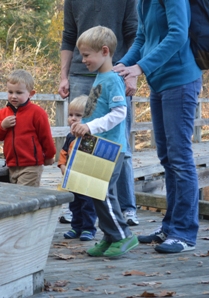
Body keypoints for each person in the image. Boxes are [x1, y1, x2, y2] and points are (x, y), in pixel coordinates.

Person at [114, 0, 202, 254]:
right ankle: (170, 227)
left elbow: (177, 35)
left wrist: (139, 68)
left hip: (181, 79)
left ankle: (184, 233)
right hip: (159, 82)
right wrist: (124, 64)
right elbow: (142, 39)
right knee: (166, 157)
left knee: (180, 156)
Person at [58, 0, 140, 226]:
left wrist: (131, 72)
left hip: (116, 70)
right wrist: (64, 76)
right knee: (82, 142)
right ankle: (82, 210)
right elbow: (68, 36)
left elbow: (134, 33)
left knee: (118, 141)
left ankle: (126, 208)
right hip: (79, 73)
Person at [71, 26, 138, 257]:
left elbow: (119, 113)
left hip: (110, 146)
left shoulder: (112, 79)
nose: (83, 59)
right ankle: (109, 236)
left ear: (105, 51)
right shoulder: (100, 76)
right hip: (95, 144)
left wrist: (90, 126)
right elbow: (95, 109)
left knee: (104, 192)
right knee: (91, 190)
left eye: (87, 55)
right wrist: (82, 125)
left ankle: (122, 235)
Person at [0, 69, 56, 187]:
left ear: (31, 94)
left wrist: (49, 155)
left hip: (31, 165)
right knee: (17, 198)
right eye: (10, 92)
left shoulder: (37, 113)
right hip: (12, 165)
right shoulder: (3, 113)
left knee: (24, 196)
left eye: (19, 93)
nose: (13, 96)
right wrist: (2, 126)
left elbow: (46, 137)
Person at [58, 95, 97, 241]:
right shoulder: (70, 136)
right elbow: (64, 152)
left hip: (86, 179)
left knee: (88, 204)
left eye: (78, 116)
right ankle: (76, 227)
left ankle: (88, 229)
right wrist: (62, 165)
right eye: (71, 115)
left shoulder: (90, 137)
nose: (73, 118)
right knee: (74, 204)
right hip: (72, 178)